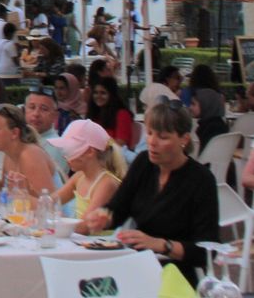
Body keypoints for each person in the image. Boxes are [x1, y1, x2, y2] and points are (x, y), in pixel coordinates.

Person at [81, 103, 219, 280]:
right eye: (150, 133)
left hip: (177, 274)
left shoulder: (201, 180)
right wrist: (104, 216)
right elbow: (118, 208)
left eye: (163, 137)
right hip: (139, 264)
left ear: (183, 139)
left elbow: (207, 250)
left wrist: (162, 245)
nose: (152, 142)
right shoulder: (144, 163)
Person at [0, 103, 57, 197]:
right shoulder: (9, 154)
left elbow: (48, 205)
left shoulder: (30, 155)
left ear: (14, 133)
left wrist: (22, 192)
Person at [52, 119, 125, 219]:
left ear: (90, 151)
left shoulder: (107, 183)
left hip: (98, 235)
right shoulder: (79, 177)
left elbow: (86, 226)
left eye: (70, 149)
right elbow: (50, 202)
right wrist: (26, 190)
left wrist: (60, 222)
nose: (66, 156)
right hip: (80, 234)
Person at [23, 88, 70, 178]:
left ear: (55, 116)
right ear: (24, 110)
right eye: (32, 107)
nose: (36, 114)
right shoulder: (18, 138)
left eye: (44, 109)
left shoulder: (58, 147)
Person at [183, 63, 227, 148]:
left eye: (193, 104)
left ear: (205, 104)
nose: (190, 107)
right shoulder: (219, 96)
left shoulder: (202, 130)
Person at [87, 75, 135, 148]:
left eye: (103, 93)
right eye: (95, 93)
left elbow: (120, 144)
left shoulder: (122, 114)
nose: (98, 96)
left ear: (112, 95)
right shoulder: (94, 113)